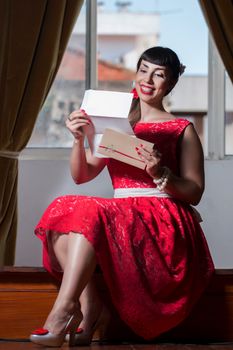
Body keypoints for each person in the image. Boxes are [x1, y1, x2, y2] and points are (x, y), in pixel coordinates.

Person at [30, 46, 214, 347]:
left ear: (170, 84)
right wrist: (78, 140)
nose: (148, 80)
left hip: (162, 215)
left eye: (159, 75)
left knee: (88, 213)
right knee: (64, 210)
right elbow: (83, 175)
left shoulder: (182, 129)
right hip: (123, 211)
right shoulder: (116, 122)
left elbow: (195, 192)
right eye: (143, 70)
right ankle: (90, 309)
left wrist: (160, 173)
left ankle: (63, 312)